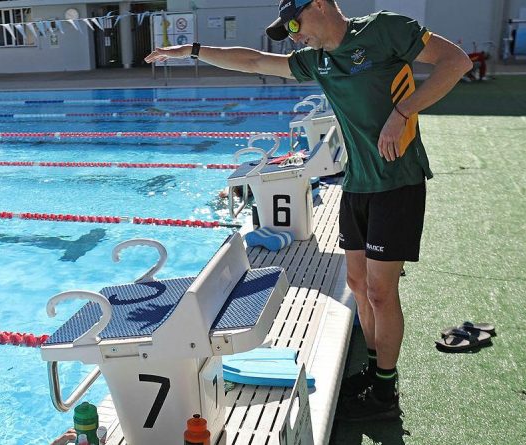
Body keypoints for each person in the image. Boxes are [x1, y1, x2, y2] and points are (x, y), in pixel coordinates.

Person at [145, 0, 471, 422]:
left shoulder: (384, 30)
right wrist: (191, 50)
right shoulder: (317, 61)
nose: (294, 36)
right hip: (358, 184)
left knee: (379, 291)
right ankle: (375, 372)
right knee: (357, 282)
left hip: (397, 184)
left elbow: (455, 62)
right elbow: (252, 60)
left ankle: (385, 393)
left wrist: (403, 111)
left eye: (295, 24)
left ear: (319, 4)